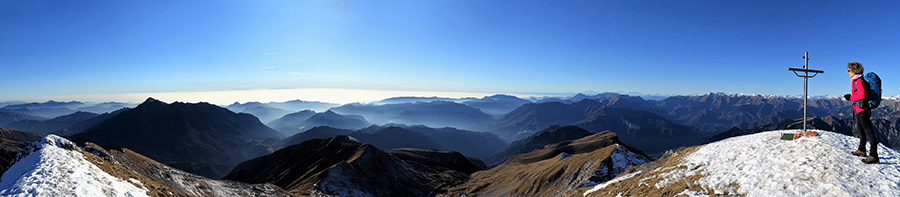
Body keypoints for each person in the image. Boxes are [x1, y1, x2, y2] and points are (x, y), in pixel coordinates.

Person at [843, 62, 878, 164]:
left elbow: (862, 95)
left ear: (854, 71)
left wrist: (851, 98)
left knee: (869, 131)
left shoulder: (859, 81)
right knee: (861, 130)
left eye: (849, 70)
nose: (848, 72)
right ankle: (862, 149)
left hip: (863, 110)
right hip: (859, 109)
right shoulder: (856, 81)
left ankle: (874, 155)